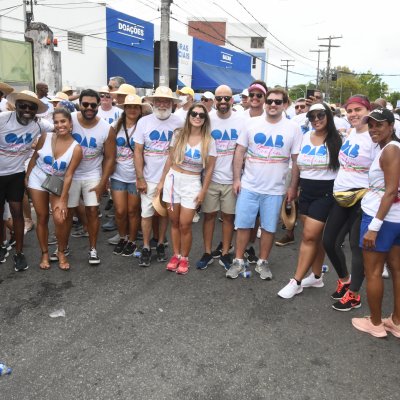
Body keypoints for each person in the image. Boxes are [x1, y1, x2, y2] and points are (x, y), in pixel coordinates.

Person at [229, 87, 302, 279]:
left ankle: (263, 262)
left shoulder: (293, 128)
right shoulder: (251, 123)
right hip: (249, 185)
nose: (273, 105)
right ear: (265, 102)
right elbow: (239, 152)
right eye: (270, 101)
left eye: (278, 102)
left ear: (285, 104)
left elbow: (296, 161)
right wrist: (237, 178)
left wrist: (293, 187)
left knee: (269, 227)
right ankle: (238, 261)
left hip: (275, 189)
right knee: (243, 225)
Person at [278, 103, 342, 298]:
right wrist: (293, 188)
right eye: (312, 116)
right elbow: (296, 165)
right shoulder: (305, 137)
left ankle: (296, 281)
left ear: (328, 116)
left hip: (326, 192)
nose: (316, 119)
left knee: (308, 236)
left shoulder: (337, 140)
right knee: (316, 238)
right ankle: (316, 276)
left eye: (320, 115)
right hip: (305, 191)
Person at [323, 95, 376, 311]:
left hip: (362, 198)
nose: (353, 114)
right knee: (329, 242)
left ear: (368, 111)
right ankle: (345, 281)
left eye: (358, 110)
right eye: (350, 110)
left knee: (355, 247)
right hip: (341, 195)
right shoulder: (352, 132)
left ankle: (354, 295)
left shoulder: (374, 138)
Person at [352, 108, 400, 338]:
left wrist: (374, 227)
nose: (373, 129)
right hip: (395, 219)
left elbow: (390, 192)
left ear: (391, 126)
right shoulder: (393, 148)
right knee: (397, 271)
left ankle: (375, 322)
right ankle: (397, 322)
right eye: (371, 125)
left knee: (372, 272)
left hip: (380, 219)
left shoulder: (390, 151)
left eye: (379, 124)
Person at [158, 103, 216, 274]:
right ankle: (176, 255)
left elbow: (210, 169)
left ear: (205, 119)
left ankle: (185, 257)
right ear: (189, 116)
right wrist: (162, 181)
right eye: (194, 113)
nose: (197, 117)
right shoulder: (178, 134)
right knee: (174, 222)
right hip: (173, 180)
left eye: (201, 115)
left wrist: (203, 191)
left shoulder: (209, 141)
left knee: (185, 224)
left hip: (192, 182)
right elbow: (169, 159)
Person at [0, 90, 53, 270]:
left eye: (32, 107)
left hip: (16, 174)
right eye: (23, 106)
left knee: (17, 212)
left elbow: (63, 127)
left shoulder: (40, 125)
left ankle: (19, 253)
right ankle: (2, 246)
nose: (27, 110)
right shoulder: (3, 119)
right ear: (16, 106)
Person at [26, 108, 82, 270]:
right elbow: (35, 157)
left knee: (60, 218)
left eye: (63, 121)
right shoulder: (45, 137)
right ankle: (44, 253)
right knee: (42, 217)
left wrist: (63, 200)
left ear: (70, 124)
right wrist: (27, 176)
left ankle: (61, 251)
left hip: (58, 182)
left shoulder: (76, 148)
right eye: (56, 122)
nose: (59, 125)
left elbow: (69, 175)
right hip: (38, 178)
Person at [133, 86, 182, 267]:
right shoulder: (144, 122)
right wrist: (140, 177)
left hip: (172, 178)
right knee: (146, 213)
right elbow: (138, 151)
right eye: (159, 101)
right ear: (153, 103)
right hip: (148, 177)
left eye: (166, 101)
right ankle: (146, 246)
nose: (162, 104)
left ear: (172, 104)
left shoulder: (180, 122)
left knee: (163, 214)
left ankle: (160, 243)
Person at [195, 85, 243, 271]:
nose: (223, 102)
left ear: (232, 100)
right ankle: (207, 252)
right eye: (219, 98)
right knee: (209, 216)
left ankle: (224, 253)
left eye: (226, 98)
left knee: (229, 218)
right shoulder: (207, 119)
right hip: (211, 178)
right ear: (214, 100)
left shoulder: (241, 121)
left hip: (232, 179)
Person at [67, 89, 116, 265]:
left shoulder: (106, 128)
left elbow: (110, 157)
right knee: (67, 212)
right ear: (79, 104)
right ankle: (62, 248)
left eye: (93, 105)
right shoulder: (70, 120)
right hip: (69, 174)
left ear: (98, 106)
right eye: (85, 104)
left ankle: (93, 249)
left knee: (93, 210)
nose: (89, 108)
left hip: (92, 173)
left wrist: (103, 182)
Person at [111, 95, 151, 256]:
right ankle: (123, 237)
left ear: (140, 109)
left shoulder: (144, 126)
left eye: (136, 107)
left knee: (133, 211)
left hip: (136, 176)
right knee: (120, 211)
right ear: (124, 109)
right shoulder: (116, 126)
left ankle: (132, 240)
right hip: (118, 175)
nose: (132, 110)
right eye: (129, 106)